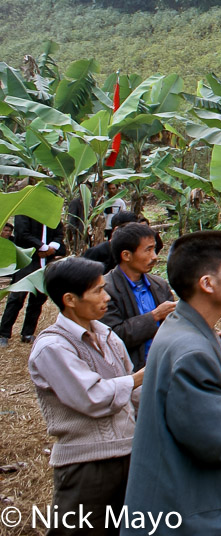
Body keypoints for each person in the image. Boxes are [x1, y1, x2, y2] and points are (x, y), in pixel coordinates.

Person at [122, 230, 221, 536]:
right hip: (190, 518)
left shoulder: (185, 329)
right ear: (207, 283)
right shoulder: (191, 352)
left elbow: (200, 405)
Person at [29, 257, 143, 536]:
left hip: (128, 455)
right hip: (86, 466)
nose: (106, 297)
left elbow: (135, 396)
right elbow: (92, 398)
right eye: (97, 291)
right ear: (69, 299)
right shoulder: (53, 347)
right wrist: (141, 376)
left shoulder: (106, 335)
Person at [100, 222, 175, 372]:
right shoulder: (105, 290)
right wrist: (154, 316)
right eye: (148, 250)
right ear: (126, 255)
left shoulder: (159, 285)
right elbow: (113, 336)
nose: (154, 257)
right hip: (129, 375)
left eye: (154, 249)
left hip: (165, 369)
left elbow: (175, 328)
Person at [0, 212, 66, 347]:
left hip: (46, 260)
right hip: (28, 260)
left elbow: (59, 234)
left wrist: (52, 248)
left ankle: (27, 333)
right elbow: (22, 234)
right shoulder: (25, 212)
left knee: (38, 298)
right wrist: (42, 247)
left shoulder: (51, 213)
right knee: (16, 297)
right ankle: (3, 334)